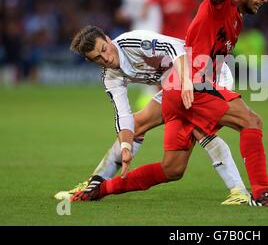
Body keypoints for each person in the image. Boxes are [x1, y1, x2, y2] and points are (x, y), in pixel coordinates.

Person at [72, 0, 268, 208]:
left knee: (172, 168)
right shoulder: (221, 5)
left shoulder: (236, 19)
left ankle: (101, 188)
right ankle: (257, 194)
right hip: (190, 83)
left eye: (103, 50)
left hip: (182, 85)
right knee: (249, 121)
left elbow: (180, 47)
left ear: (108, 40)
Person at [62, 26, 250, 205]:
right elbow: (123, 115)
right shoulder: (110, 76)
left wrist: (186, 84)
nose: (106, 58)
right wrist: (126, 146)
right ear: (91, 61)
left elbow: (175, 47)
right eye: (98, 58)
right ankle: (96, 182)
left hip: (205, 70)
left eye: (104, 49)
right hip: (174, 85)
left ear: (108, 39)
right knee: (138, 128)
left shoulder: (133, 43)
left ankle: (239, 191)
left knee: (198, 130)